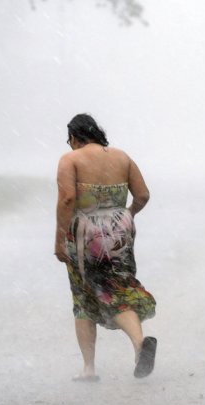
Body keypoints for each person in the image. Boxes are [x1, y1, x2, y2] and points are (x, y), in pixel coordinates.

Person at [54, 113, 157, 381]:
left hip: (85, 234)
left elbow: (67, 199)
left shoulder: (71, 159)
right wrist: (127, 215)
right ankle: (139, 345)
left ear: (75, 137)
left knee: (84, 298)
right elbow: (143, 195)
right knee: (119, 290)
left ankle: (89, 368)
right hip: (120, 230)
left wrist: (59, 238)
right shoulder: (122, 157)